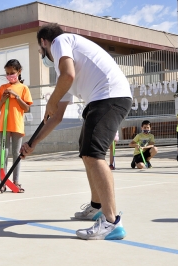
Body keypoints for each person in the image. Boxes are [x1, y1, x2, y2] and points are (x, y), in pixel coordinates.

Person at [20, 23, 132, 240]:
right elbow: (56, 116)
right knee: (86, 153)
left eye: (40, 51)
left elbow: (68, 76)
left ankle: (111, 222)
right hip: (100, 99)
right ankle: (96, 206)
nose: (43, 55)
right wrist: (32, 144)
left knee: (93, 153)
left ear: (44, 43)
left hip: (109, 96)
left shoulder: (60, 42)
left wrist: (51, 99)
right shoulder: (62, 68)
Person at [0, 59, 33, 193]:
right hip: (3, 126)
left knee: (16, 154)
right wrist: (4, 99)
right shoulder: (2, 88)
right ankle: (3, 182)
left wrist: (16, 97)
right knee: (3, 154)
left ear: (19, 72)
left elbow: (27, 108)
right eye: (7, 73)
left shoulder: (23, 88)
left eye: (12, 72)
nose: (10, 75)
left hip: (17, 125)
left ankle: (15, 182)